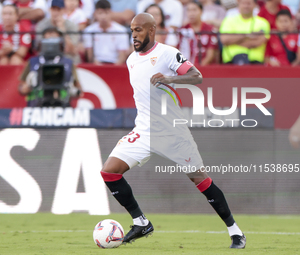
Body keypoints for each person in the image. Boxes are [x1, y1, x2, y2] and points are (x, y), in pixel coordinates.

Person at [100, 13, 246, 249]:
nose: (134, 35)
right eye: (131, 30)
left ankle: (235, 232)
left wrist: (169, 78)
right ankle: (141, 222)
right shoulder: (131, 60)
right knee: (109, 172)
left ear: (151, 30)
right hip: (144, 130)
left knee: (201, 180)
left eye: (138, 30)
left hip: (172, 133)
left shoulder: (167, 53)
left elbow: (197, 76)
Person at [19, 27, 83, 106]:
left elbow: (78, 88)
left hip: (62, 104)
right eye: (48, 38)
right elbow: (21, 86)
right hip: (36, 105)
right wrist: (26, 88)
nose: (51, 42)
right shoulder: (33, 61)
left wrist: (74, 91)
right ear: (41, 42)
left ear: (60, 42)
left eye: (54, 38)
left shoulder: (68, 62)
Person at [220, 0, 270, 64]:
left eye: (249, 3)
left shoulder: (263, 22)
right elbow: (224, 39)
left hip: (255, 62)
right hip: (231, 61)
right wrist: (247, 35)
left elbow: (258, 42)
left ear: (255, 5)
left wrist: (233, 42)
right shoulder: (228, 20)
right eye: (243, 3)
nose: (246, 6)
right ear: (238, 4)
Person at [83, 0, 129, 64]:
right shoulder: (89, 31)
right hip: (96, 64)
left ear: (111, 13)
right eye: (100, 13)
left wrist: (113, 68)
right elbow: (90, 54)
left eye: (106, 13)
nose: (103, 17)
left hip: (115, 64)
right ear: (95, 14)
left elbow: (122, 55)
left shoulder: (121, 31)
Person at [179, 1, 218, 65]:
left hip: (205, 68)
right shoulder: (183, 30)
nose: (191, 13)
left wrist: (196, 70)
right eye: (188, 10)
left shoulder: (210, 29)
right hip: (185, 69)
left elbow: (210, 55)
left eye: (194, 10)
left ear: (201, 11)